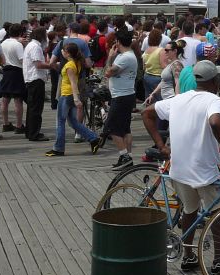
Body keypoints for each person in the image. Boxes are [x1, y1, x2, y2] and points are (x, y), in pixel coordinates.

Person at [141, 59, 220, 275]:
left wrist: (161, 146)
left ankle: (188, 257)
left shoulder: (178, 100)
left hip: (179, 169)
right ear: (215, 81)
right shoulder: (214, 100)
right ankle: (218, 260)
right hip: (204, 171)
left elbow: (147, 113)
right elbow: (217, 122)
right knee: (218, 212)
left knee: (190, 210)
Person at [45, 42, 102, 157]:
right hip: (71, 96)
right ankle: (93, 138)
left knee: (60, 122)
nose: (62, 52)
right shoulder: (77, 63)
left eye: (63, 51)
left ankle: (58, 148)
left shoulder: (69, 65)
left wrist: (77, 99)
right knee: (73, 122)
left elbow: (73, 83)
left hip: (67, 95)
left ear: (68, 53)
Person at [104, 29, 138, 170]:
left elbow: (108, 73)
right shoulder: (128, 55)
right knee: (125, 129)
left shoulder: (124, 58)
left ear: (118, 42)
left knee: (111, 128)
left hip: (121, 96)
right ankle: (127, 157)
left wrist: (110, 57)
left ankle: (124, 156)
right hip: (126, 94)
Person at [23, 27, 52, 141]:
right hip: (36, 79)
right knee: (36, 108)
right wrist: (52, 65)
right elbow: (39, 65)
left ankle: (30, 131)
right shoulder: (35, 47)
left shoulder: (31, 45)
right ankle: (34, 133)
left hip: (31, 79)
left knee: (32, 107)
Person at [141, 28, 164, 102]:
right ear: (159, 39)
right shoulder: (161, 50)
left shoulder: (146, 51)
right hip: (158, 77)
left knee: (148, 99)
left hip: (147, 76)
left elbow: (144, 67)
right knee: (158, 100)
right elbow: (163, 65)